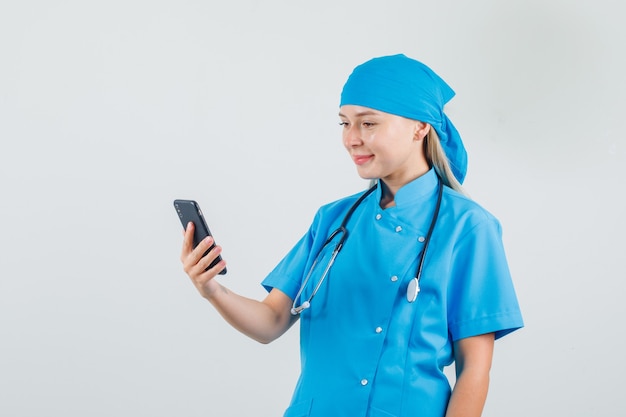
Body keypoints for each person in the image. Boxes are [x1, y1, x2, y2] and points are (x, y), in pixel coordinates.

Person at [180, 53, 523, 417]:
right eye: (344, 123)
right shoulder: (333, 219)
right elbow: (271, 322)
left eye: (368, 124)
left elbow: (475, 370)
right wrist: (211, 289)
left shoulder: (468, 226)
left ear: (419, 127)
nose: (351, 139)